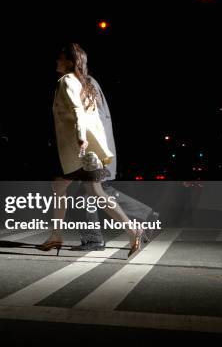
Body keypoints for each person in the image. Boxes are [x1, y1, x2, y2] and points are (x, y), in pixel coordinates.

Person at [39, 43, 146, 258]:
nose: (57, 61)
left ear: (69, 62)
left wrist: (81, 139)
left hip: (79, 149)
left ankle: (134, 230)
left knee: (96, 192)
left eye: (60, 58)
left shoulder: (67, 80)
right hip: (77, 150)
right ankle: (56, 235)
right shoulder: (85, 82)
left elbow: (79, 112)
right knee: (59, 186)